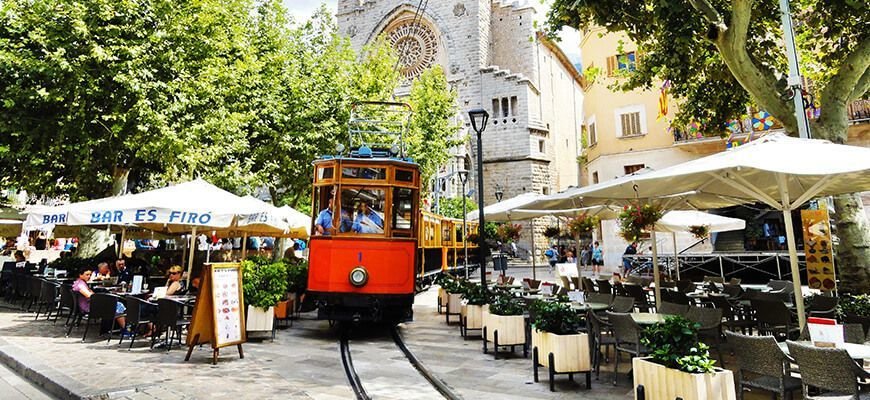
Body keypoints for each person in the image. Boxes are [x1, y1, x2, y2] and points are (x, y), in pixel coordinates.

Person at [72, 266, 126, 331]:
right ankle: (125, 329)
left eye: (90, 275)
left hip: (88, 305)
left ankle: (119, 327)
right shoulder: (80, 285)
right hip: (90, 307)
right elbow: (90, 296)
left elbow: (92, 294)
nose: (89, 276)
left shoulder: (80, 282)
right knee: (118, 305)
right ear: (80, 275)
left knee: (116, 304)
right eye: (87, 275)